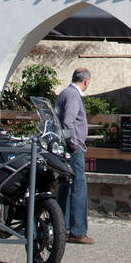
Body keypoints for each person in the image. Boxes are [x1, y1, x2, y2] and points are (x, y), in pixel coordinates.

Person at [55, 68, 94, 244]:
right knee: (78, 187)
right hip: (72, 149)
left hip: (65, 147)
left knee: (66, 185)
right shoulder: (73, 95)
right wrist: (74, 145)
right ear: (85, 81)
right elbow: (68, 122)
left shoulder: (65, 93)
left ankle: (63, 227)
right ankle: (78, 231)